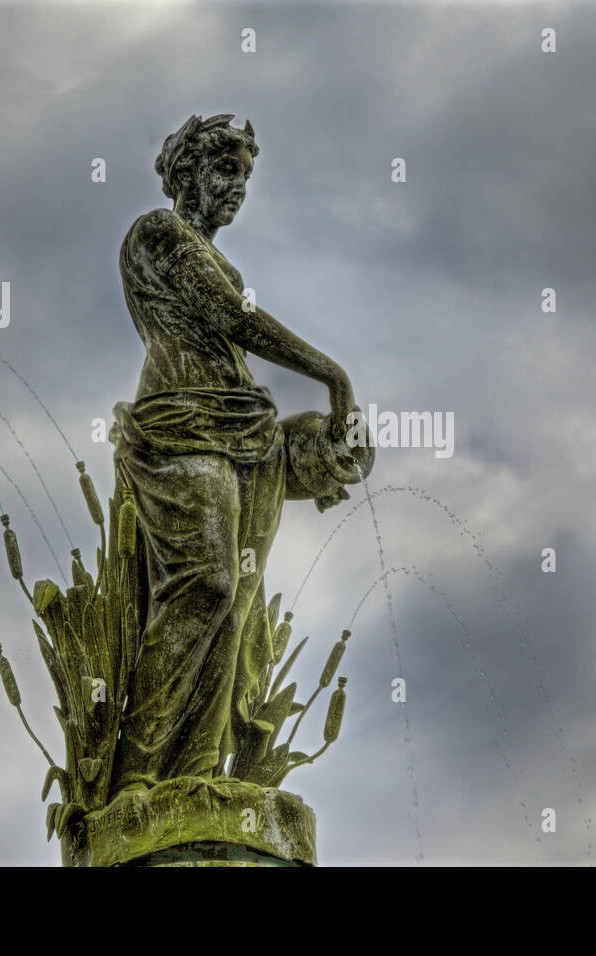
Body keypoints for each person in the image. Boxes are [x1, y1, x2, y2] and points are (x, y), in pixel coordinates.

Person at [109, 114, 357, 787]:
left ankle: (193, 777)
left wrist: (323, 442)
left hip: (243, 434)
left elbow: (238, 365)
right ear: (188, 173)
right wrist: (331, 373)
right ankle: (136, 775)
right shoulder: (158, 234)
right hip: (177, 428)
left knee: (236, 609)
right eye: (225, 171)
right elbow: (229, 317)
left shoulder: (226, 260)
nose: (237, 188)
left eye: (245, 177)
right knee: (206, 583)